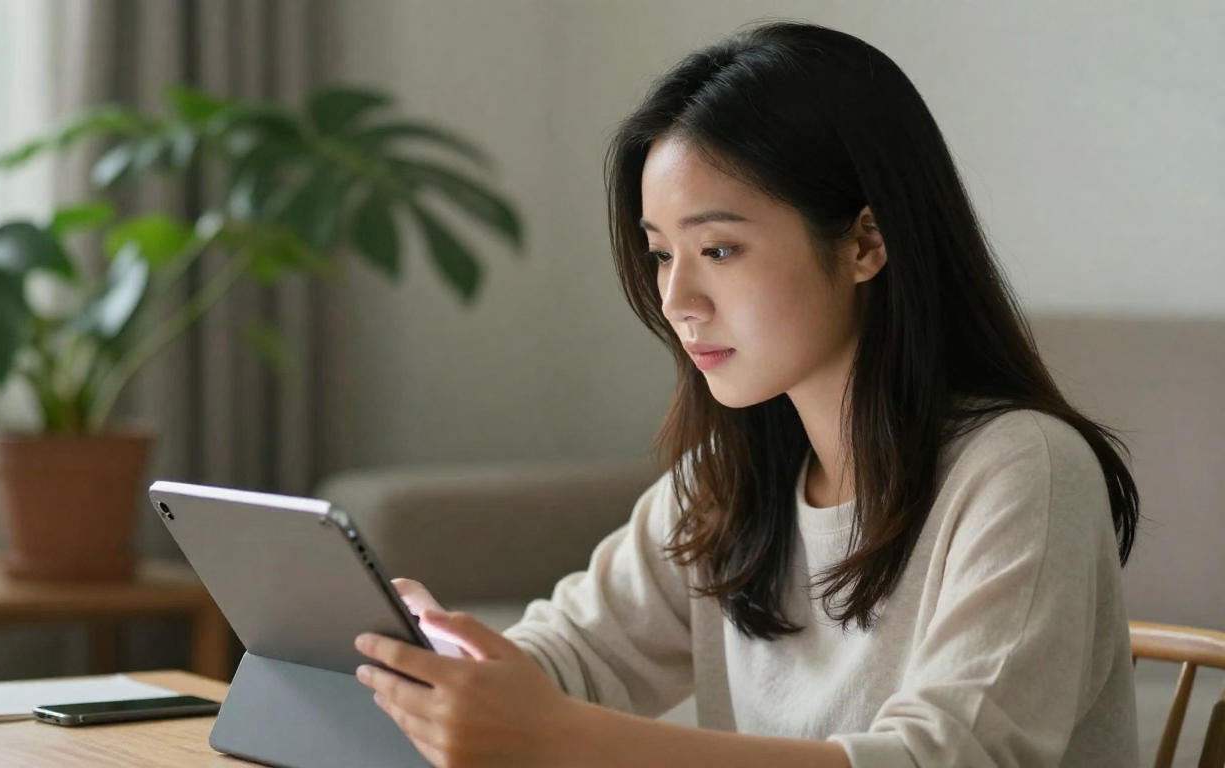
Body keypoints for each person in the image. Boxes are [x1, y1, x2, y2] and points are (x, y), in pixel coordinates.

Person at [354, 20, 1140, 768]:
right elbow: (573, 658)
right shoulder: (726, 482)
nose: (676, 299)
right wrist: (441, 665)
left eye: (719, 249)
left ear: (867, 241)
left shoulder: (1023, 470)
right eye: (661, 254)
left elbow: (947, 759)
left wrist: (567, 740)